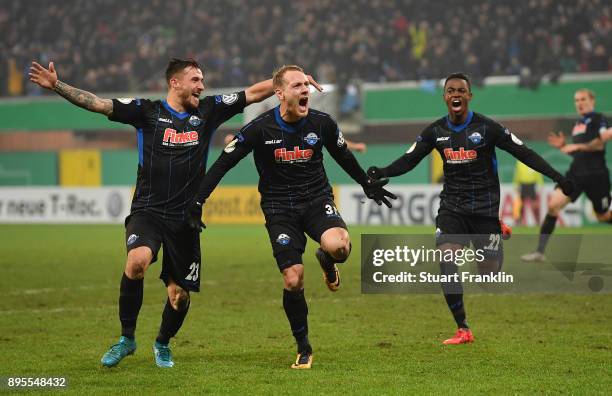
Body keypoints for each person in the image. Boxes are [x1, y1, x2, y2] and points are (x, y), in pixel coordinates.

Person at [28, 58, 322, 368]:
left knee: (179, 295)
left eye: (202, 79)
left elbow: (252, 93)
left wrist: (290, 83)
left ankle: (162, 343)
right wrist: (57, 85)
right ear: (175, 83)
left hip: (186, 219)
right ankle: (127, 338)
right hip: (149, 211)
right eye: (196, 79)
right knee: (137, 261)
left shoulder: (208, 111)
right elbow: (99, 104)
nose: (202, 85)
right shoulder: (146, 112)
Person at [187, 65, 395, 369]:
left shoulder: (322, 123)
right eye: (296, 85)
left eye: (305, 85)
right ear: (279, 93)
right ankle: (303, 346)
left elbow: (344, 156)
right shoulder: (259, 129)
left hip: (316, 201)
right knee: (293, 277)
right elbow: (222, 164)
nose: (305, 90)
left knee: (341, 248)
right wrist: (197, 201)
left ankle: (327, 260)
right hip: (279, 209)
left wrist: (366, 183)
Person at [367, 72, 573, 345]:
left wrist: (558, 178)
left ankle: (497, 231)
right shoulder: (435, 132)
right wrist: (382, 171)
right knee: (446, 258)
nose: (456, 94)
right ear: (444, 97)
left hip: (485, 211)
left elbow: (525, 153)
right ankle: (463, 328)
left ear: (469, 96)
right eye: (451, 90)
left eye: (461, 91)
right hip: (452, 208)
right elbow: (409, 159)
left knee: (489, 274)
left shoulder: (487, 128)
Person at [522, 89, 611, 262]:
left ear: (592, 100)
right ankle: (539, 252)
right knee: (554, 205)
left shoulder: (598, 118)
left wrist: (577, 147)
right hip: (576, 174)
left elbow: (600, 144)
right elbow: (579, 152)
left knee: (602, 216)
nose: (579, 103)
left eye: (583, 99)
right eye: (576, 100)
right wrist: (564, 147)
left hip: (597, 176)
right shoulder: (577, 125)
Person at [512, 160, 544, 224]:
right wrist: (515, 183)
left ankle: (538, 221)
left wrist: (540, 184)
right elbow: (517, 174)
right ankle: (519, 222)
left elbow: (538, 173)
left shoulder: (534, 161)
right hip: (522, 184)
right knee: (521, 205)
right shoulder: (519, 162)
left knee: (534, 205)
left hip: (532, 185)